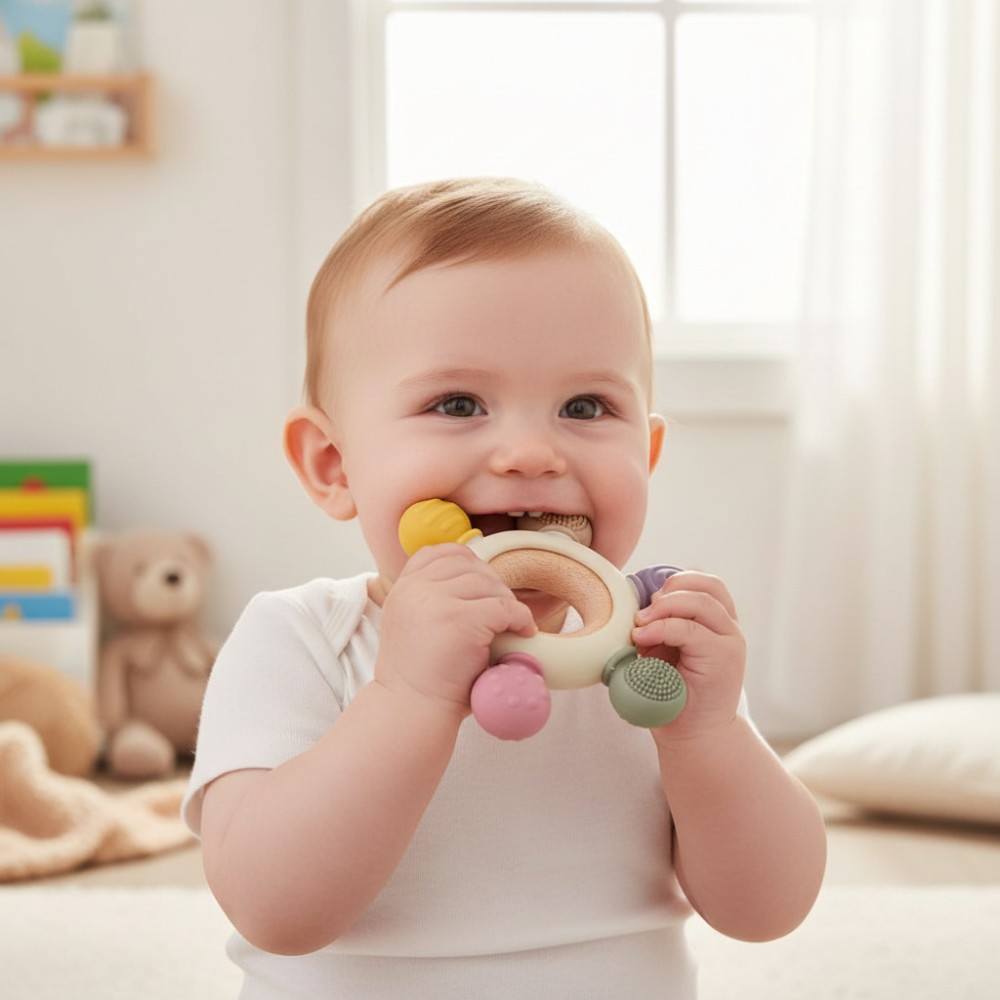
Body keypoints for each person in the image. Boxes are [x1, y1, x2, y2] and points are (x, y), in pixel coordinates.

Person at [182, 177, 826, 999]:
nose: (530, 452)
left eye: (586, 405)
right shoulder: (300, 639)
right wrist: (409, 694)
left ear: (648, 455)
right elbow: (275, 907)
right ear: (334, 465)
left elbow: (767, 909)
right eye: (458, 403)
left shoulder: (653, 653)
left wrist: (706, 737)